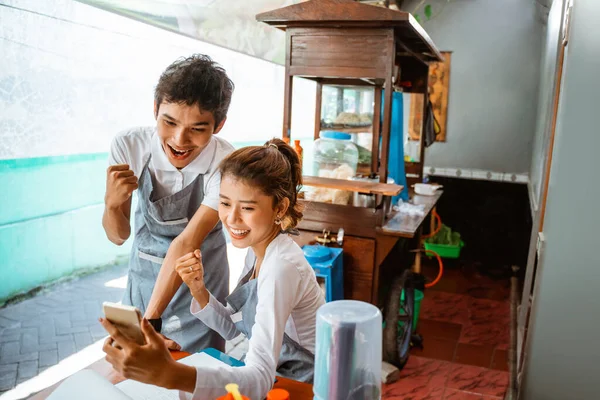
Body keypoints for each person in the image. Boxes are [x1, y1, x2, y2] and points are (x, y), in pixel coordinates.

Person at [100, 138, 325, 400]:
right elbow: (236, 330)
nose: (232, 218)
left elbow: (260, 378)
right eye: (225, 203)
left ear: (280, 208)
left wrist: (169, 374)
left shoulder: (280, 268)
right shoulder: (260, 251)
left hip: (305, 386)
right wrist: (199, 290)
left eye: (248, 208)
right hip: (279, 376)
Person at [102, 54, 234, 353]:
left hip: (200, 288)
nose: (179, 139)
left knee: (197, 376)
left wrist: (151, 320)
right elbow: (118, 236)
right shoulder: (129, 145)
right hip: (144, 282)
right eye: (169, 122)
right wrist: (111, 205)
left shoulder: (225, 162)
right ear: (155, 109)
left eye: (197, 129)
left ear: (219, 125)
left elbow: (186, 242)